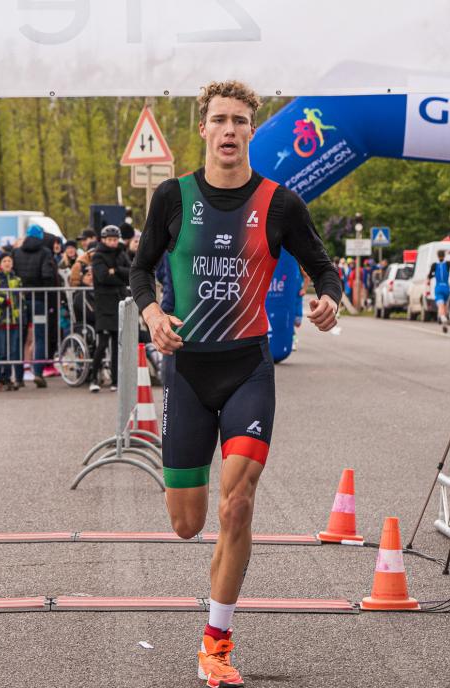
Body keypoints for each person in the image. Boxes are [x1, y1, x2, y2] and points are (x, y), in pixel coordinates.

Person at [130, 79, 342, 688]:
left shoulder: (279, 203)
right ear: (203, 128)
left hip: (249, 367)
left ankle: (216, 642)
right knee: (188, 523)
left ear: (252, 130)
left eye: (240, 121)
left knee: (240, 502)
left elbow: (322, 266)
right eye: (219, 119)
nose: (229, 130)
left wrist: (327, 299)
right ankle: (213, 572)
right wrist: (151, 315)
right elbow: (141, 270)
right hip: (189, 371)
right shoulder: (173, 197)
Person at [12, 222, 58, 388]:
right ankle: (38, 372)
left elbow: (13, 275)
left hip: (21, 301)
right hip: (39, 300)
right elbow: (47, 275)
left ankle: (18, 377)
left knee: (20, 337)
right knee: (39, 337)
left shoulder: (16, 252)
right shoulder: (45, 253)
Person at [89, 225, 130, 393]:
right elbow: (102, 277)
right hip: (104, 305)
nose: (113, 242)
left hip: (118, 302)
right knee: (103, 343)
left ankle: (115, 380)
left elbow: (131, 272)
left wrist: (117, 271)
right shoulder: (97, 256)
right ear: (104, 240)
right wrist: (116, 276)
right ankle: (93, 378)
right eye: (110, 240)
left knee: (116, 344)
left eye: (115, 239)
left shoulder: (122, 254)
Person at [0, 252, 23, 391]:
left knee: (12, 351)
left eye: (9, 261)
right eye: (4, 261)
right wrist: (3, 301)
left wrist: (22, 314)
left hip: (14, 320)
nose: (7, 263)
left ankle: (7, 378)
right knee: (1, 351)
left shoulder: (17, 279)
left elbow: (21, 298)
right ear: (0, 264)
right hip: (1, 319)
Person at [427, 249, 450, 333]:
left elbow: (429, 276)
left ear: (437, 256)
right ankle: (442, 318)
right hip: (447, 287)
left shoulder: (434, 265)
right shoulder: (449, 263)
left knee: (440, 305)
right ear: (444, 255)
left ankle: (443, 318)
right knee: (444, 305)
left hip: (438, 288)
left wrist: (432, 276)